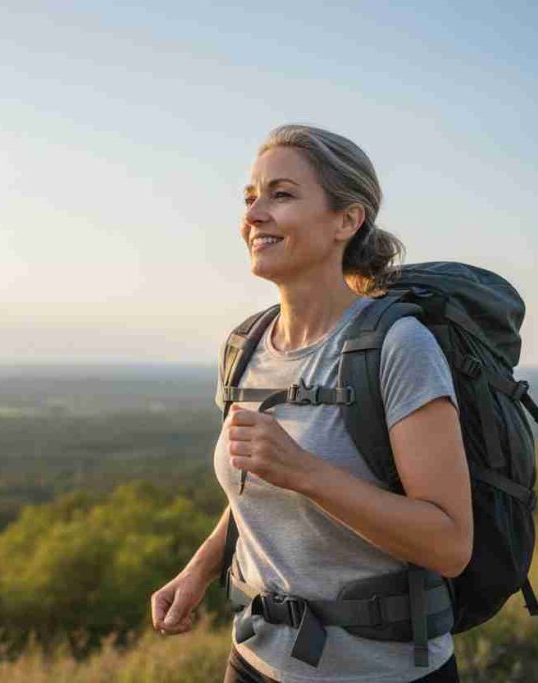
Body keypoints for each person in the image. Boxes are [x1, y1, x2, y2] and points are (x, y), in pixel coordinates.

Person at [149, 124, 471, 682]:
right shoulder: (243, 348)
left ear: (347, 220)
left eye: (282, 194)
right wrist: (199, 571)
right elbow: (258, 486)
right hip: (254, 659)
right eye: (250, 197)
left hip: (381, 672)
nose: (253, 215)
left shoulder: (397, 346)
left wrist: (305, 472)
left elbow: (449, 545)